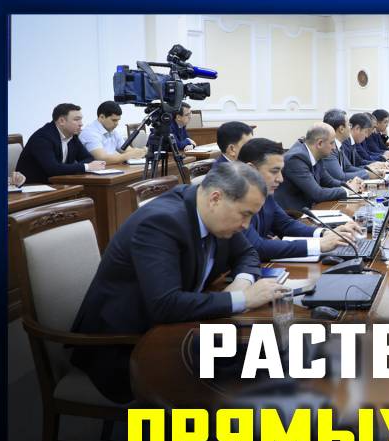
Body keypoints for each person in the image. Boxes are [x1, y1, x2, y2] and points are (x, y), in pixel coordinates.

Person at [71, 162, 287, 403]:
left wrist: (242, 282)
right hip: (126, 346)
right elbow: (165, 305)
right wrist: (242, 299)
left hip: (180, 327)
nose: (246, 225)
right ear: (215, 199)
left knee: (273, 363)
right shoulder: (162, 222)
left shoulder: (211, 213)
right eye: (245, 214)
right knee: (246, 387)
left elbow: (247, 253)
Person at [237, 138, 362, 261]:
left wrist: (325, 233)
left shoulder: (266, 194)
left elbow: (286, 225)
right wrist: (319, 244)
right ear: (251, 170)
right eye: (274, 171)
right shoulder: (235, 200)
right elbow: (257, 246)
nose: (280, 179)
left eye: (280, 171)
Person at [274, 122, 364, 213]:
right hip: (293, 214)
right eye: (332, 143)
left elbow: (328, 181)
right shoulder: (296, 159)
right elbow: (317, 194)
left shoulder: (316, 153)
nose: (334, 148)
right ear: (320, 143)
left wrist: (349, 185)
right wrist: (347, 191)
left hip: (309, 209)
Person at [16, 103, 106, 183]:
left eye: (81, 120)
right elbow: (53, 169)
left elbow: (88, 157)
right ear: (62, 121)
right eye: (76, 120)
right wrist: (86, 167)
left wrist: (67, 168)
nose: (81, 124)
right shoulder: (42, 138)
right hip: (34, 186)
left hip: (59, 182)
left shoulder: (72, 136)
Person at [78, 101, 145, 164]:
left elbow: (127, 150)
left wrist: (141, 152)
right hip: (93, 171)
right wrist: (129, 155)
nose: (117, 124)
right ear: (101, 117)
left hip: (109, 169)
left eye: (118, 120)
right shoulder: (90, 133)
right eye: (114, 120)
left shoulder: (112, 131)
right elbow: (102, 159)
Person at [321, 108, 371, 181]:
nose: (350, 128)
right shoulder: (328, 148)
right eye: (349, 125)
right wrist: (367, 174)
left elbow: (347, 167)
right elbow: (340, 177)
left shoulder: (339, 145)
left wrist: (369, 171)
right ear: (341, 129)